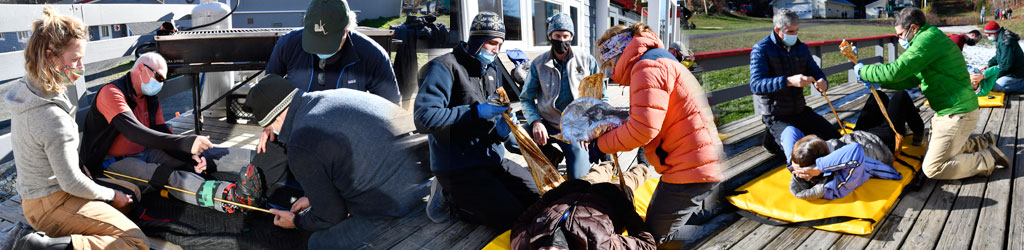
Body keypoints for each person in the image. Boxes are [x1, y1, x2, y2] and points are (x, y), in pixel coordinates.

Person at [2, 7, 147, 249]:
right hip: (51, 203)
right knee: (135, 240)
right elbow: (71, 183)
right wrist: (112, 196)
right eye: (75, 59)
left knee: (133, 192)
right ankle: (37, 245)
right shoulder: (50, 116)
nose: (81, 66)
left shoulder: (30, 88)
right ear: (50, 56)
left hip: (39, 194)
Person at [244, 75, 430, 249]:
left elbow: (331, 216)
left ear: (276, 118)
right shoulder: (333, 96)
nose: (273, 133)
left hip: (397, 205)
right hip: (426, 176)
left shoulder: (301, 142)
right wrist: (313, 197)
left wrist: (296, 221)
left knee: (318, 242)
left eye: (269, 127)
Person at [593, 22, 725, 248]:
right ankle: (714, 222)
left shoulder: (646, 68)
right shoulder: (655, 59)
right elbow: (652, 116)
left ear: (617, 55)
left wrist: (601, 145)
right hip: (694, 160)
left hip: (689, 168)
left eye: (608, 65)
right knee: (661, 221)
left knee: (652, 238)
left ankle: (722, 233)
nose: (610, 72)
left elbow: (642, 130)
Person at [80, 52, 264, 214]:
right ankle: (230, 198)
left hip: (146, 150)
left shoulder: (149, 98)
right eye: (159, 78)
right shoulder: (111, 93)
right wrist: (185, 143)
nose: (161, 84)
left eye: (163, 80)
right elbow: (135, 133)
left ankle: (262, 159)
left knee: (199, 156)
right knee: (167, 176)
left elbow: (160, 132)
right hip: (112, 164)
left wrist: (190, 156)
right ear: (141, 69)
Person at [414, 12, 541, 227]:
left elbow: (492, 120)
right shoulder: (444, 68)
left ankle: (469, 195)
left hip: (491, 158)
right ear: (476, 38)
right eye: (492, 43)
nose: (496, 50)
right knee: (512, 217)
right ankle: (451, 199)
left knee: (539, 199)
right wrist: (476, 111)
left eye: (500, 44)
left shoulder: (491, 68)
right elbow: (424, 119)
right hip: (458, 165)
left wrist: (502, 129)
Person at [855, 7, 1009, 180]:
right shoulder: (929, 38)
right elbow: (911, 78)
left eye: (900, 34)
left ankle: (988, 159)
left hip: (957, 113)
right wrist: (879, 81)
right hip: (950, 111)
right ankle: (983, 142)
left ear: (913, 28)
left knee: (933, 168)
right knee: (934, 153)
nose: (899, 38)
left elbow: (897, 70)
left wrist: (863, 71)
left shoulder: (926, 41)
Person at [519, 13, 603, 180]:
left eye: (566, 36)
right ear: (550, 36)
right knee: (513, 140)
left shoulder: (587, 61)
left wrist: (590, 129)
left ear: (571, 36)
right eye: (557, 36)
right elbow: (526, 98)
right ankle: (551, 155)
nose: (562, 40)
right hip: (548, 125)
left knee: (577, 180)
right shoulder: (538, 64)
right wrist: (536, 122)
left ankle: (574, 160)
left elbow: (602, 98)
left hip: (576, 130)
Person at [265, 0, 400, 101]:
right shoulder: (288, 43)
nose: (320, 49)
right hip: (296, 128)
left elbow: (391, 105)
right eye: (315, 39)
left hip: (346, 132)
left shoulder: (372, 55)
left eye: (327, 42)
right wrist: (271, 120)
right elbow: (267, 88)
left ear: (346, 31)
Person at [749, 8, 841, 155]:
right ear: (777, 30)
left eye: (797, 30)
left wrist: (821, 81)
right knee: (800, 155)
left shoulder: (801, 48)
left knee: (837, 139)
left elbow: (816, 71)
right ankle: (774, 138)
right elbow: (756, 85)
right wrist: (788, 81)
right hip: (776, 115)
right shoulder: (761, 49)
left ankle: (774, 139)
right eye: (790, 31)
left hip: (800, 111)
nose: (795, 35)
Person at [511, 162, 657, 250]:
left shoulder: (524, 242)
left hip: (576, 190)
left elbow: (522, 221)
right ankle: (643, 167)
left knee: (597, 172)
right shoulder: (601, 245)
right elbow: (647, 245)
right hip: (610, 198)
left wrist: (556, 193)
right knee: (630, 179)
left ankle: (609, 163)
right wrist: (622, 203)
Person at [783, 131, 902, 200]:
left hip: (858, 136)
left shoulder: (800, 173)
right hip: (880, 145)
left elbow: (789, 131)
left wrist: (792, 161)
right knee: (898, 99)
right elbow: (855, 150)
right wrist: (818, 167)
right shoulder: (836, 184)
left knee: (875, 99)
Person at [978, 21, 1024, 93]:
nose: (988, 36)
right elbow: (999, 56)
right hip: (1010, 71)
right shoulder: (1001, 39)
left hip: (1016, 73)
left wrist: (994, 75)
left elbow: (1006, 66)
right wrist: (989, 64)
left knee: (995, 86)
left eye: (989, 35)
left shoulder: (1005, 42)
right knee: (992, 82)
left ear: (994, 33)